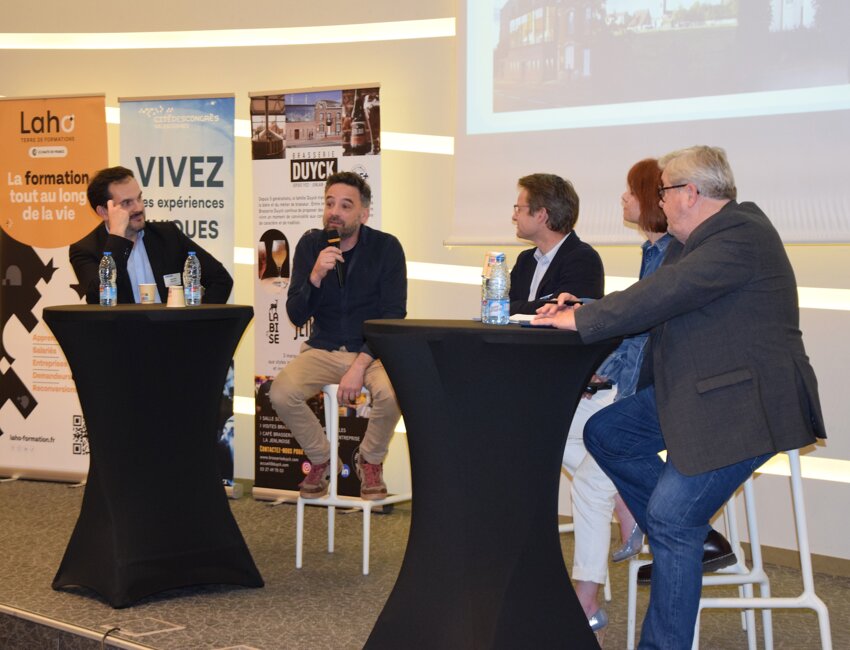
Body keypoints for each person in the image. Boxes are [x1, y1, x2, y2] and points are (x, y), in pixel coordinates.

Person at [534, 146, 826, 649]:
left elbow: (669, 291)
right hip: (702, 392)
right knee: (608, 432)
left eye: (665, 192)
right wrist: (586, 307)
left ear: (690, 194)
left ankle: (672, 573)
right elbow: (655, 297)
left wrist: (581, 320)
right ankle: (689, 536)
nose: (660, 203)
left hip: (747, 404)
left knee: (670, 519)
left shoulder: (741, 234)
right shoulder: (695, 242)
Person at [269, 171, 406, 501]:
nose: (335, 211)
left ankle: (370, 459)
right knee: (280, 392)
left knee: (393, 394)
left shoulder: (386, 248)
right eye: (330, 203)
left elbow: (392, 316)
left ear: (363, 214)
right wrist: (315, 276)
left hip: (372, 351)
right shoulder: (310, 245)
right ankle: (322, 457)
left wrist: (359, 365)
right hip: (324, 346)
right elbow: (295, 314)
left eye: (346, 205)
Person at [70, 166, 233, 305]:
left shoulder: (168, 235)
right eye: (127, 203)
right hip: (121, 340)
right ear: (104, 211)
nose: (139, 207)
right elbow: (97, 297)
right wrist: (117, 237)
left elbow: (221, 279)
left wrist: (196, 324)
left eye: (139, 198)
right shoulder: (85, 250)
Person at [509, 173, 604, 314]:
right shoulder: (525, 260)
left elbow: (558, 311)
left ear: (541, 214)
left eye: (519, 209)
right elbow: (502, 308)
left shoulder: (583, 259)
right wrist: (539, 305)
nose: (514, 216)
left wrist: (522, 307)